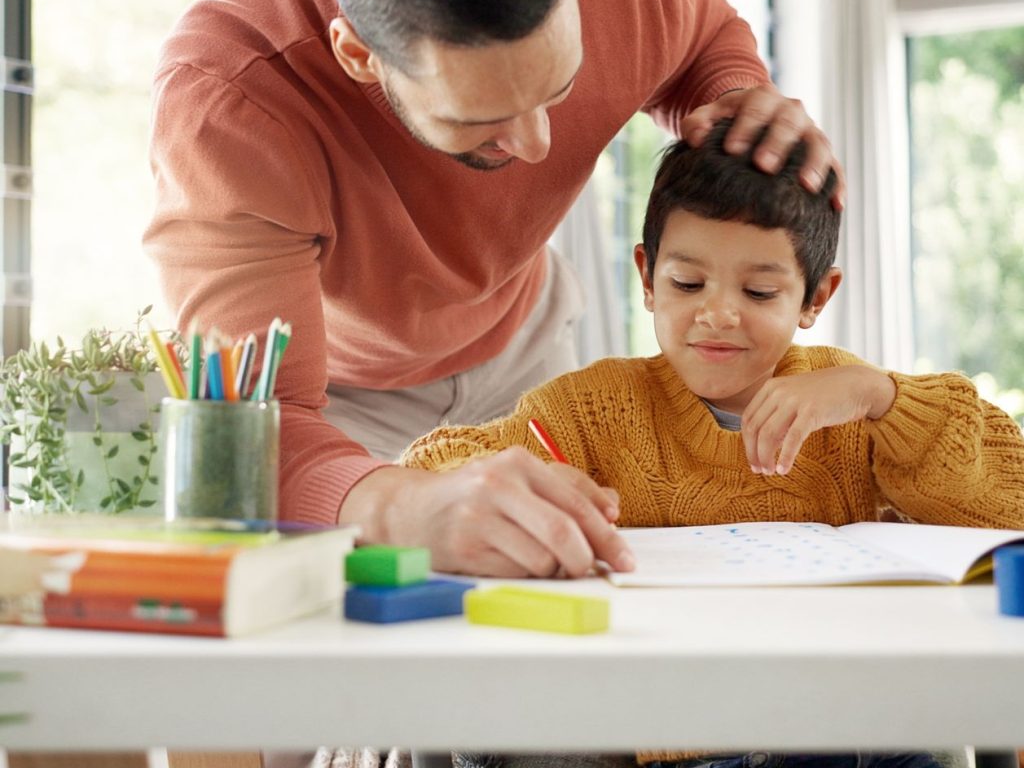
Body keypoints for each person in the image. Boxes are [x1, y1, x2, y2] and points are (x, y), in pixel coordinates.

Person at [145, 0, 844, 577]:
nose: (538, 145)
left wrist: (736, 99)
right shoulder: (229, 102)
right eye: (481, 121)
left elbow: (702, 41)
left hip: (524, 333)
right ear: (359, 58)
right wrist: (402, 508)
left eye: (558, 88)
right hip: (343, 400)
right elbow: (256, 429)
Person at [401, 118, 1024, 768]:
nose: (718, 313)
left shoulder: (854, 406)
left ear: (815, 296)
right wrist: (501, 491)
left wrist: (881, 397)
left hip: (829, 728)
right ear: (647, 277)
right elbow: (434, 475)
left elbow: (1009, 501)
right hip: (658, 735)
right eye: (687, 284)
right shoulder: (587, 410)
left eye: (759, 292)